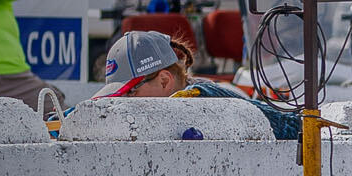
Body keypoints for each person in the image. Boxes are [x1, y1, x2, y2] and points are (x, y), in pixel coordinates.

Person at [90, 30, 301, 138]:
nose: (124, 103)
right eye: (118, 96)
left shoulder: (198, 96)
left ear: (164, 81)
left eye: (130, 92)